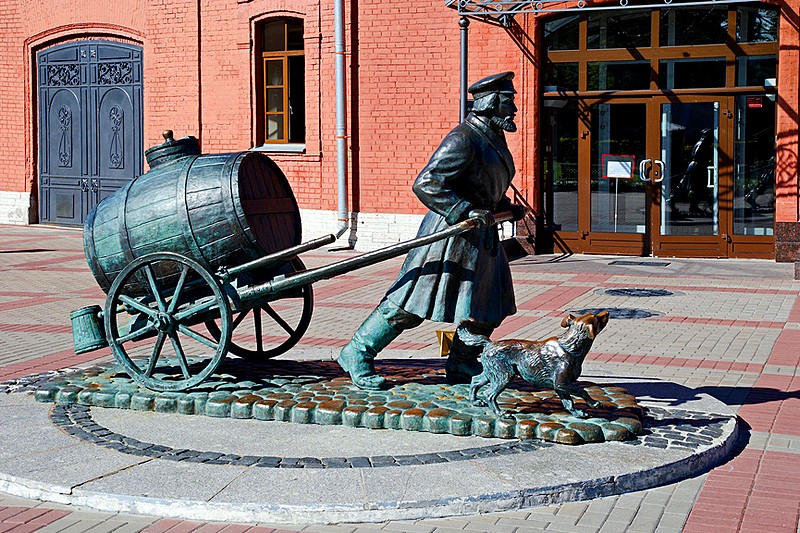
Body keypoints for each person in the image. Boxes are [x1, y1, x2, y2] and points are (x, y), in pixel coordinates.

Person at [337, 71, 527, 390]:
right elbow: (427, 183)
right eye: (509, 101)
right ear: (491, 103)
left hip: (481, 237)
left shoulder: (492, 137)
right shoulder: (464, 138)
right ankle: (356, 352)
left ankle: (462, 362)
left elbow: (483, 183)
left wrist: (503, 205)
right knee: (409, 305)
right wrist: (464, 210)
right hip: (450, 235)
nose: (514, 109)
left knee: (489, 306)